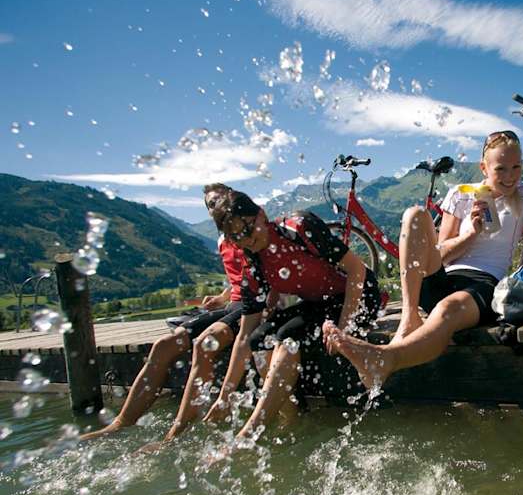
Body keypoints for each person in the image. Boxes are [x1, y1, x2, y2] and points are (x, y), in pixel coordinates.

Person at [323, 131, 523, 390]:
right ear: (484, 167)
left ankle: (384, 359)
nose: (510, 176)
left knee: (446, 311)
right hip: (444, 276)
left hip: (484, 285)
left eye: (516, 167)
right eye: (501, 168)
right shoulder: (461, 195)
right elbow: (439, 253)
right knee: (415, 214)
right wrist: (470, 235)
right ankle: (409, 317)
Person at [202, 190, 381, 441]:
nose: (246, 239)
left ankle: (251, 433)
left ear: (261, 215)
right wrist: (224, 396)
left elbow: (356, 269)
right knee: (258, 340)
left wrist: (344, 327)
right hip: (319, 302)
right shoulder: (253, 266)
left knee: (288, 336)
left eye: (248, 229)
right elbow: (244, 336)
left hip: (359, 295)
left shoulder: (299, 227)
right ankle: (291, 417)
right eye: (236, 237)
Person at [81, 184, 245, 441]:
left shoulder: (247, 226)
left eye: (220, 200)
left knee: (205, 344)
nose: (216, 207)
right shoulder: (222, 238)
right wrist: (222, 297)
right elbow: (236, 277)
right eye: (210, 205)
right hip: (232, 305)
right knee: (163, 345)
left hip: (251, 308)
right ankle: (122, 421)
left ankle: (175, 433)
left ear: (231, 197)